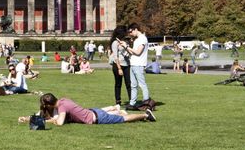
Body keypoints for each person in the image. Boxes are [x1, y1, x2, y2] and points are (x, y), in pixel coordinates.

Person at [19, 93, 156, 125]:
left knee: (123, 119)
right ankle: (117, 109)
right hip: (93, 112)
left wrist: (47, 122)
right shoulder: (63, 100)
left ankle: (145, 115)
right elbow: (41, 115)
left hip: (96, 117)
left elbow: (59, 122)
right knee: (120, 116)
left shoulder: (62, 106)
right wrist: (27, 118)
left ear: (49, 104)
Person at [119, 23, 152, 108]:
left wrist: (127, 46)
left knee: (142, 84)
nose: (130, 34)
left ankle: (146, 101)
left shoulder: (142, 39)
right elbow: (132, 52)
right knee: (133, 85)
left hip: (139, 64)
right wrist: (125, 47)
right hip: (133, 63)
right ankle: (132, 103)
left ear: (136, 29)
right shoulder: (137, 39)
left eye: (130, 31)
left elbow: (138, 52)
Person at [110, 26, 132, 105]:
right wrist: (119, 68)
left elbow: (129, 52)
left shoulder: (124, 42)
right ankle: (118, 101)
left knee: (129, 83)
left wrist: (126, 45)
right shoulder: (115, 43)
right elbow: (116, 56)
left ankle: (132, 100)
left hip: (127, 64)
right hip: (118, 65)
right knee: (118, 83)